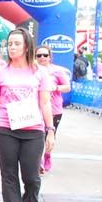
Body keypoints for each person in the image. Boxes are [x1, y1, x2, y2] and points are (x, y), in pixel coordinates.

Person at [0, 29, 54, 202]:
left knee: (32, 176)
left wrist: (50, 130)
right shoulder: (0, 73)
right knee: (9, 175)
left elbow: (45, 102)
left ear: (26, 46)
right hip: (5, 129)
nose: (12, 47)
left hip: (33, 130)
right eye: (10, 44)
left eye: (16, 44)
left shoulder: (39, 72)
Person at [34, 46, 71, 174]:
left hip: (54, 108)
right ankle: (39, 161)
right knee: (38, 136)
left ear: (50, 57)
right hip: (36, 108)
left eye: (45, 55)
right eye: (39, 56)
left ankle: (47, 155)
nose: (42, 58)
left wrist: (54, 87)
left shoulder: (57, 71)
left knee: (50, 135)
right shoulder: (33, 70)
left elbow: (67, 87)